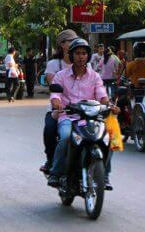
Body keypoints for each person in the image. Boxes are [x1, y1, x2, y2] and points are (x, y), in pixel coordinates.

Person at [48, 38, 117, 190]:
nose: (81, 56)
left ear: (88, 56)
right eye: (78, 53)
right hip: (68, 116)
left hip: (91, 118)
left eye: (84, 53)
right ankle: (56, 172)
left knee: (108, 139)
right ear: (71, 55)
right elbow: (55, 96)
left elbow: (101, 95)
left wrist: (110, 105)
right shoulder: (61, 75)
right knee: (65, 137)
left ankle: (104, 176)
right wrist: (57, 104)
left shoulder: (95, 76)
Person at [40, 29, 78, 174]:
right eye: (71, 41)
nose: (81, 56)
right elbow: (53, 86)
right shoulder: (54, 64)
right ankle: (51, 160)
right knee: (50, 129)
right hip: (60, 110)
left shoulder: (85, 65)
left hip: (81, 109)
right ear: (62, 44)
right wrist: (59, 103)